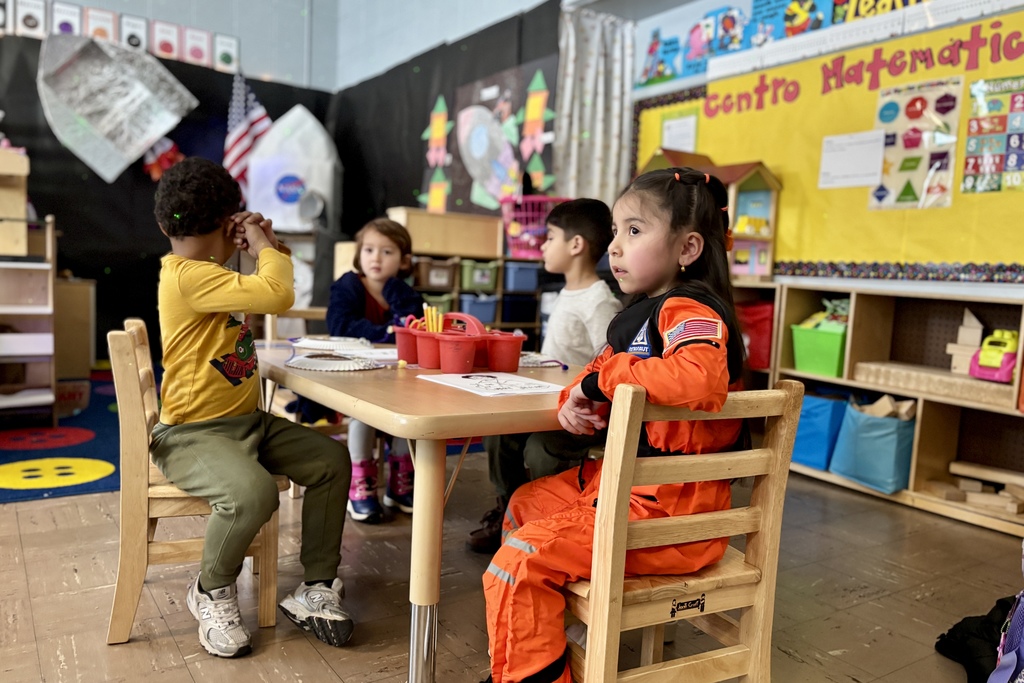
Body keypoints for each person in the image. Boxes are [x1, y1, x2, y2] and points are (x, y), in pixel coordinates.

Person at [479, 167, 746, 683]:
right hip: (631, 495)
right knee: (523, 504)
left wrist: (604, 383)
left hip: (674, 517)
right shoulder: (638, 316)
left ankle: (533, 673)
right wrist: (572, 400)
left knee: (519, 559)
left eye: (634, 231)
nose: (614, 249)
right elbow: (592, 372)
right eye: (617, 232)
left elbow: (699, 379)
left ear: (688, 248)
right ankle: (555, 642)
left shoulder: (690, 309)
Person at [149, 158, 355, 658]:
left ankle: (317, 588)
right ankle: (212, 589)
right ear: (228, 222)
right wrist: (263, 249)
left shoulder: (207, 271)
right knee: (251, 494)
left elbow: (268, 283)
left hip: (246, 424)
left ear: (162, 224)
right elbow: (279, 293)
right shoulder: (185, 277)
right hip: (190, 436)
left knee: (330, 461)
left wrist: (268, 246)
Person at [467, 198, 621, 553]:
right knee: (498, 434)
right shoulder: (563, 293)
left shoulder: (599, 302)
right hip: (551, 404)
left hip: (585, 414)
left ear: (576, 245)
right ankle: (509, 511)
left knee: (541, 449)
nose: (542, 245)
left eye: (549, 237)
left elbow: (611, 363)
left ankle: (545, 521)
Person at [327, 218, 424, 523]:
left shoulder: (404, 293)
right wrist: (386, 331)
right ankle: (361, 484)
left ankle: (399, 482)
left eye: (387, 252)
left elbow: (415, 327)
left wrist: (395, 292)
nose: (376, 258)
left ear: (404, 260)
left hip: (397, 380)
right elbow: (340, 327)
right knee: (362, 410)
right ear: (359, 254)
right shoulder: (348, 285)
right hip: (352, 378)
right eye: (369, 249)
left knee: (411, 409)